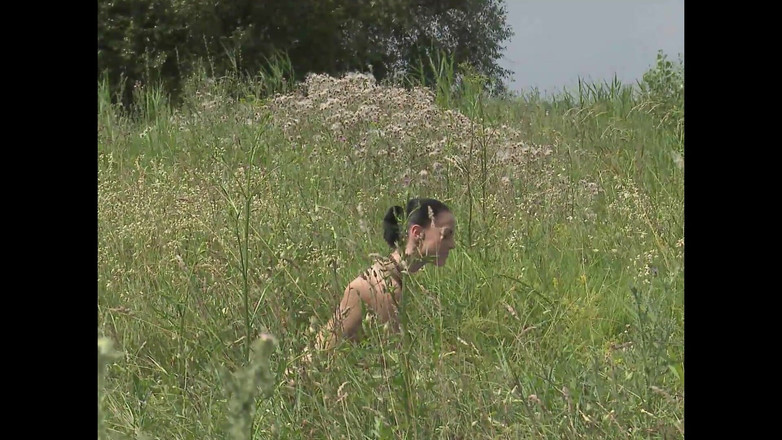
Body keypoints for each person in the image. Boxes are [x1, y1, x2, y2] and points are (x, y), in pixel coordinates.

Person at [317, 198, 456, 350]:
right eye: (446, 235)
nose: (452, 245)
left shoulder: (399, 281)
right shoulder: (375, 287)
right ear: (417, 233)